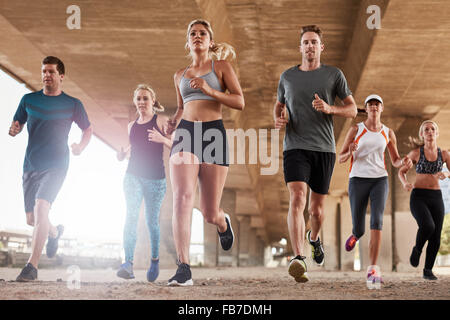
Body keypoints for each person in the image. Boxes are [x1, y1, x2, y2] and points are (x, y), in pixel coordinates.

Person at [273, 25, 357, 282]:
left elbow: (352, 110)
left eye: (314, 42)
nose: (309, 46)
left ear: (322, 47)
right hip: (294, 147)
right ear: (300, 48)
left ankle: (314, 239)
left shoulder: (334, 75)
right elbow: (278, 105)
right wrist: (279, 119)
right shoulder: (287, 77)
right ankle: (299, 258)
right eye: (306, 42)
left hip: (324, 149)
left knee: (316, 211)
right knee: (297, 197)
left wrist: (330, 109)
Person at [166, 19, 244, 286]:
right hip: (186, 133)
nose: (197, 36)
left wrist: (210, 90)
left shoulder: (221, 67)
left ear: (210, 42)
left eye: (202, 33)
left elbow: (239, 101)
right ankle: (183, 267)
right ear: (187, 42)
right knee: (182, 197)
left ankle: (223, 222)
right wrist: (172, 121)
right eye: (193, 34)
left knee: (208, 212)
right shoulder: (179, 74)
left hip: (213, 134)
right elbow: (180, 107)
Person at [9, 56, 93, 281]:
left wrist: (80, 147)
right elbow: (18, 122)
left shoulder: (73, 104)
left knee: (41, 208)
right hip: (31, 165)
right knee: (32, 219)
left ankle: (31, 268)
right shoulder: (28, 100)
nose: (46, 75)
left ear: (61, 76)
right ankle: (55, 233)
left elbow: (88, 130)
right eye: (44, 71)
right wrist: (15, 128)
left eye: (51, 72)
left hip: (57, 164)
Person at [338, 94, 411, 288]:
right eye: (370, 104)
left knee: (377, 221)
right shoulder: (356, 129)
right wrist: (350, 151)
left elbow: (395, 161)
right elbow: (341, 158)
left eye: (377, 104)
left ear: (382, 108)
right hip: (357, 179)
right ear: (366, 109)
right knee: (360, 228)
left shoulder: (388, 132)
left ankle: (372, 269)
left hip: (380, 179)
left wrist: (403, 162)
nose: (374, 107)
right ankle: (355, 235)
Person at [116, 84, 171, 282]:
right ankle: (128, 264)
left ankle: (154, 260)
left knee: (151, 222)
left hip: (156, 179)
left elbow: (177, 145)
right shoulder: (131, 125)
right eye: (138, 98)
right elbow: (135, 147)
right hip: (133, 175)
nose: (141, 102)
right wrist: (122, 155)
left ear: (153, 101)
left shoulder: (162, 121)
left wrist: (162, 138)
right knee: (131, 216)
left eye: (145, 98)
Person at [398, 120, 449, 280]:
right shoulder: (416, 153)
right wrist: (405, 182)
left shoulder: (445, 154)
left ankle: (428, 270)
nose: (430, 131)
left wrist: (446, 174)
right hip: (418, 197)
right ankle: (417, 249)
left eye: (433, 129)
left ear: (437, 133)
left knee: (436, 235)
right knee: (428, 226)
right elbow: (401, 171)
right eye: (426, 129)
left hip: (436, 197)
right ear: (422, 134)